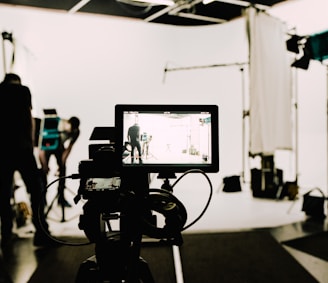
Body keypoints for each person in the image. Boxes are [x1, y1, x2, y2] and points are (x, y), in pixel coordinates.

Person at [0, 73, 54, 249]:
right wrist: (31, 146)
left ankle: (6, 233)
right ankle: (41, 232)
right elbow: (29, 119)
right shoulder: (23, 91)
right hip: (22, 148)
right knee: (36, 190)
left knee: (3, 193)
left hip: (3, 150)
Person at [39, 116, 80, 207]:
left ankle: (61, 198)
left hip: (59, 146)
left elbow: (68, 149)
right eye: (70, 127)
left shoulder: (76, 132)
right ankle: (42, 199)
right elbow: (41, 149)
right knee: (43, 172)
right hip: (48, 146)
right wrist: (45, 165)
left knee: (63, 170)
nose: (71, 130)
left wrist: (61, 164)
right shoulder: (56, 125)